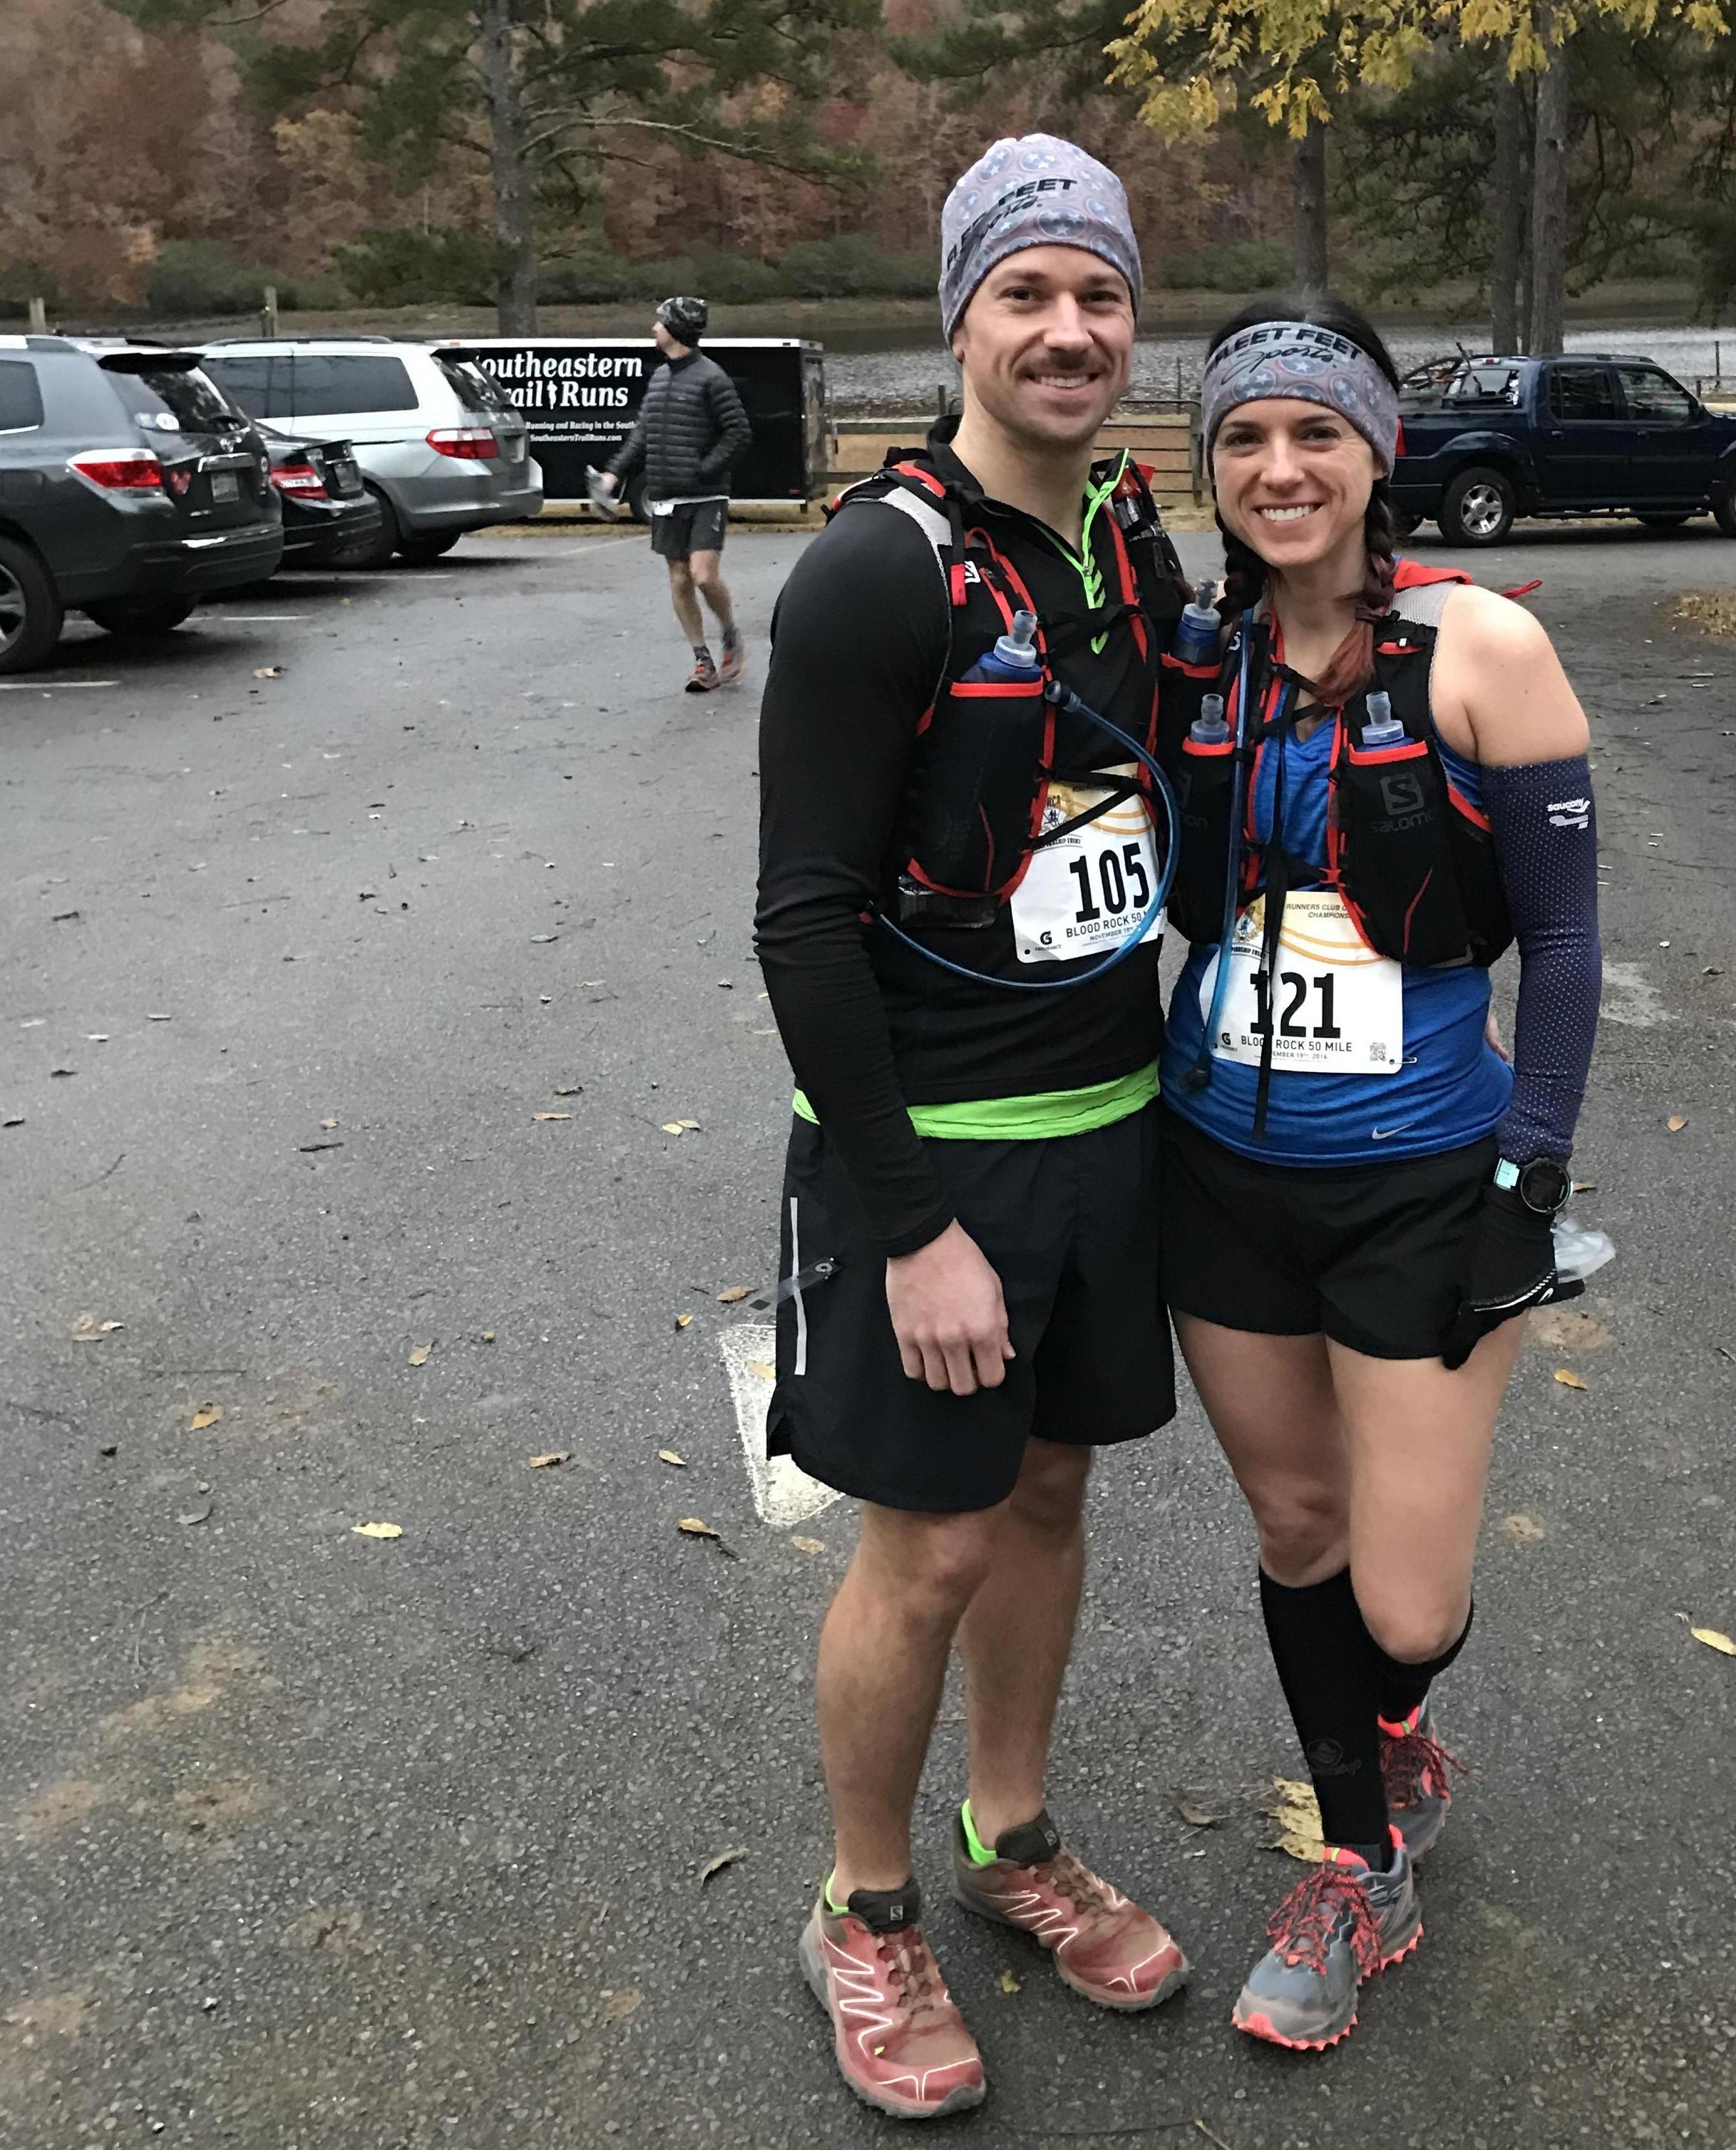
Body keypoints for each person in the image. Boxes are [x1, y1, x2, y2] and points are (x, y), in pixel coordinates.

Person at [754, 136, 1193, 2121]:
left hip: (1115, 1130)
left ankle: (1012, 1847)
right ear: (962, 317)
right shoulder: (876, 569)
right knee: (922, 1546)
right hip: (938, 1155)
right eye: (1029, 292)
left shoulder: (1127, 544)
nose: (1071, 329)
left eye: (1099, 294)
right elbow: (805, 920)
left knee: (1047, 1504)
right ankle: (863, 1908)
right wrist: (911, 1217)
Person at [1154, 299, 1603, 2052]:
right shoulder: (1194, 656)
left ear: (1372, 453)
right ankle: (1357, 1858)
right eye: (1243, 438)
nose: (1278, 468)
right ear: (1213, 466)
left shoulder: (1478, 645)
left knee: (1401, 1598)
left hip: (1423, 1179)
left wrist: (1528, 1177)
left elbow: (1561, 947)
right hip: (1217, 1174)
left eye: (1312, 434)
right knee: (1292, 1526)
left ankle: (1395, 1718)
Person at [594, 295, 751, 692]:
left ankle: (730, 632)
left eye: (659, 322)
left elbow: (739, 433)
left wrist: (703, 470)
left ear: (675, 328)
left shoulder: (713, 378)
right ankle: (703, 661)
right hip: (665, 497)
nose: (653, 328)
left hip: (705, 497)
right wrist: (614, 475)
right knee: (680, 579)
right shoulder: (661, 378)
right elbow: (642, 435)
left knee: (702, 575)